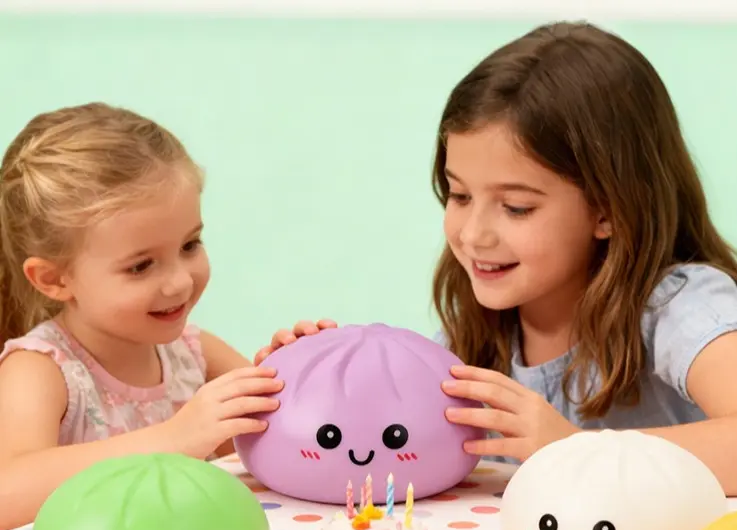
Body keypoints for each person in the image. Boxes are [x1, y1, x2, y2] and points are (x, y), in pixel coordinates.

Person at [257, 22, 737, 495]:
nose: (473, 234)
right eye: (460, 195)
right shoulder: (474, 338)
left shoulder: (680, 307)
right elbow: (378, 457)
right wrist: (303, 383)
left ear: (608, 209)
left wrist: (579, 451)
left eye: (516, 207)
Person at [0, 103, 284, 530]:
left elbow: (280, 443)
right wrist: (172, 439)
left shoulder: (193, 352)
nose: (179, 282)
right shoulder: (41, 369)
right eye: (141, 266)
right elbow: (6, 495)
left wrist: (301, 365)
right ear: (55, 279)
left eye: (190, 245)